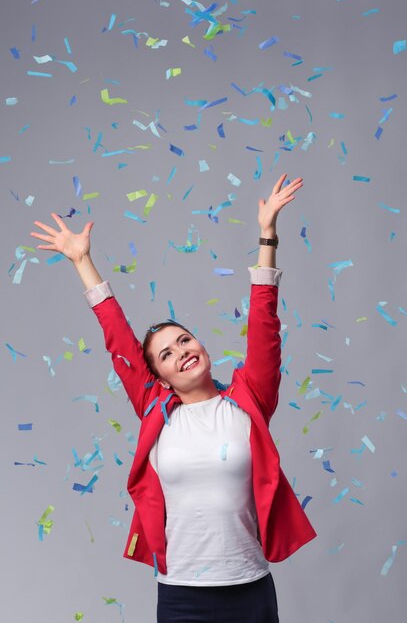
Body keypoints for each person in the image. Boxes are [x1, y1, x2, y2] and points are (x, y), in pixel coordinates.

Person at [31, 173, 317, 623]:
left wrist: (267, 235)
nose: (181, 352)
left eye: (184, 340)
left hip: (249, 587)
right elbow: (118, 340)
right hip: (182, 593)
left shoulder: (248, 398)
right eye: (166, 354)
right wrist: (82, 262)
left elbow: (265, 323)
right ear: (158, 377)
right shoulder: (155, 410)